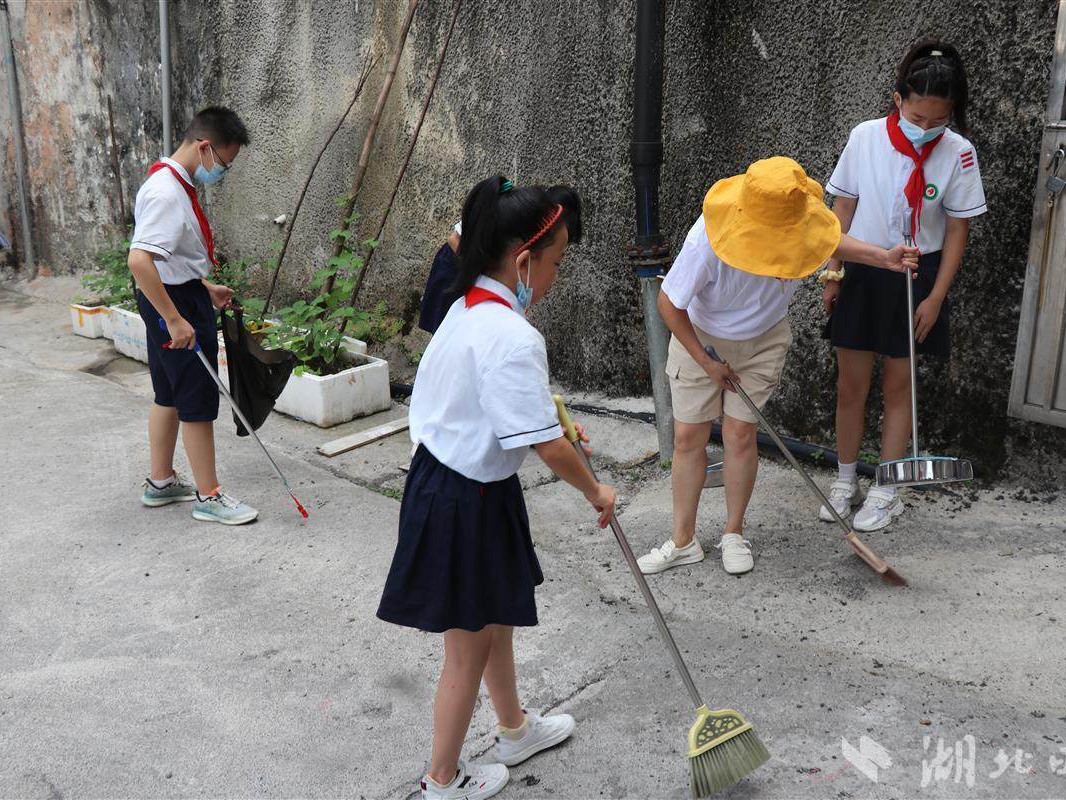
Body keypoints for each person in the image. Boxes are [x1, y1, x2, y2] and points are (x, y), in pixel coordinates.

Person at [377, 176, 616, 799]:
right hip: (462, 498)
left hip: (465, 484)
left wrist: (548, 407)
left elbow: (497, 404)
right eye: (556, 263)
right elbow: (545, 445)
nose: (557, 275)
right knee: (468, 649)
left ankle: (513, 730)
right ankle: (442, 780)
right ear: (523, 260)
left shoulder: (467, 306)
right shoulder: (512, 336)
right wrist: (596, 490)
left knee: (496, 620)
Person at [636, 157, 920, 577]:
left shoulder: (798, 220)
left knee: (740, 433)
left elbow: (829, 242)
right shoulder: (707, 240)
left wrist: (884, 258)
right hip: (701, 337)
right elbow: (669, 304)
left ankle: (734, 532)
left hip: (764, 339)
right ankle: (683, 541)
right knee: (687, 437)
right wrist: (706, 361)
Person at [821, 40, 986, 532]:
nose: (926, 129)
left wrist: (936, 298)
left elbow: (958, 228)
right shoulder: (866, 137)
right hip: (865, 268)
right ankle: (844, 479)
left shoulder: (959, 153)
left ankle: (887, 487)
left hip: (920, 276)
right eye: (917, 117)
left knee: (899, 386)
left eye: (938, 121)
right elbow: (842, 208)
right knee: (851, 385)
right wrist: (832, 271)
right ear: (898, 100)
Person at [127, 106, 258, 524]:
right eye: (223, 163)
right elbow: (140, 261)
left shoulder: (173, 184)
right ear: (204, 147)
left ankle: (161, 482)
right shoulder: (167, 193)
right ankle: (210, 496)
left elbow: (167, 261)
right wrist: (176, 318)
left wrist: (204, 286)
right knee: (197, 401)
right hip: (174, 305)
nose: (222, 172)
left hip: (175, 294)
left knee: (168, 393)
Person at [418, 189, 582, 335]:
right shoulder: (509, 211)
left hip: (477, 281)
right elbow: (454, 240)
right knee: (447, 331)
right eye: (556, 262)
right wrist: (487, 282)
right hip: (455, 267)